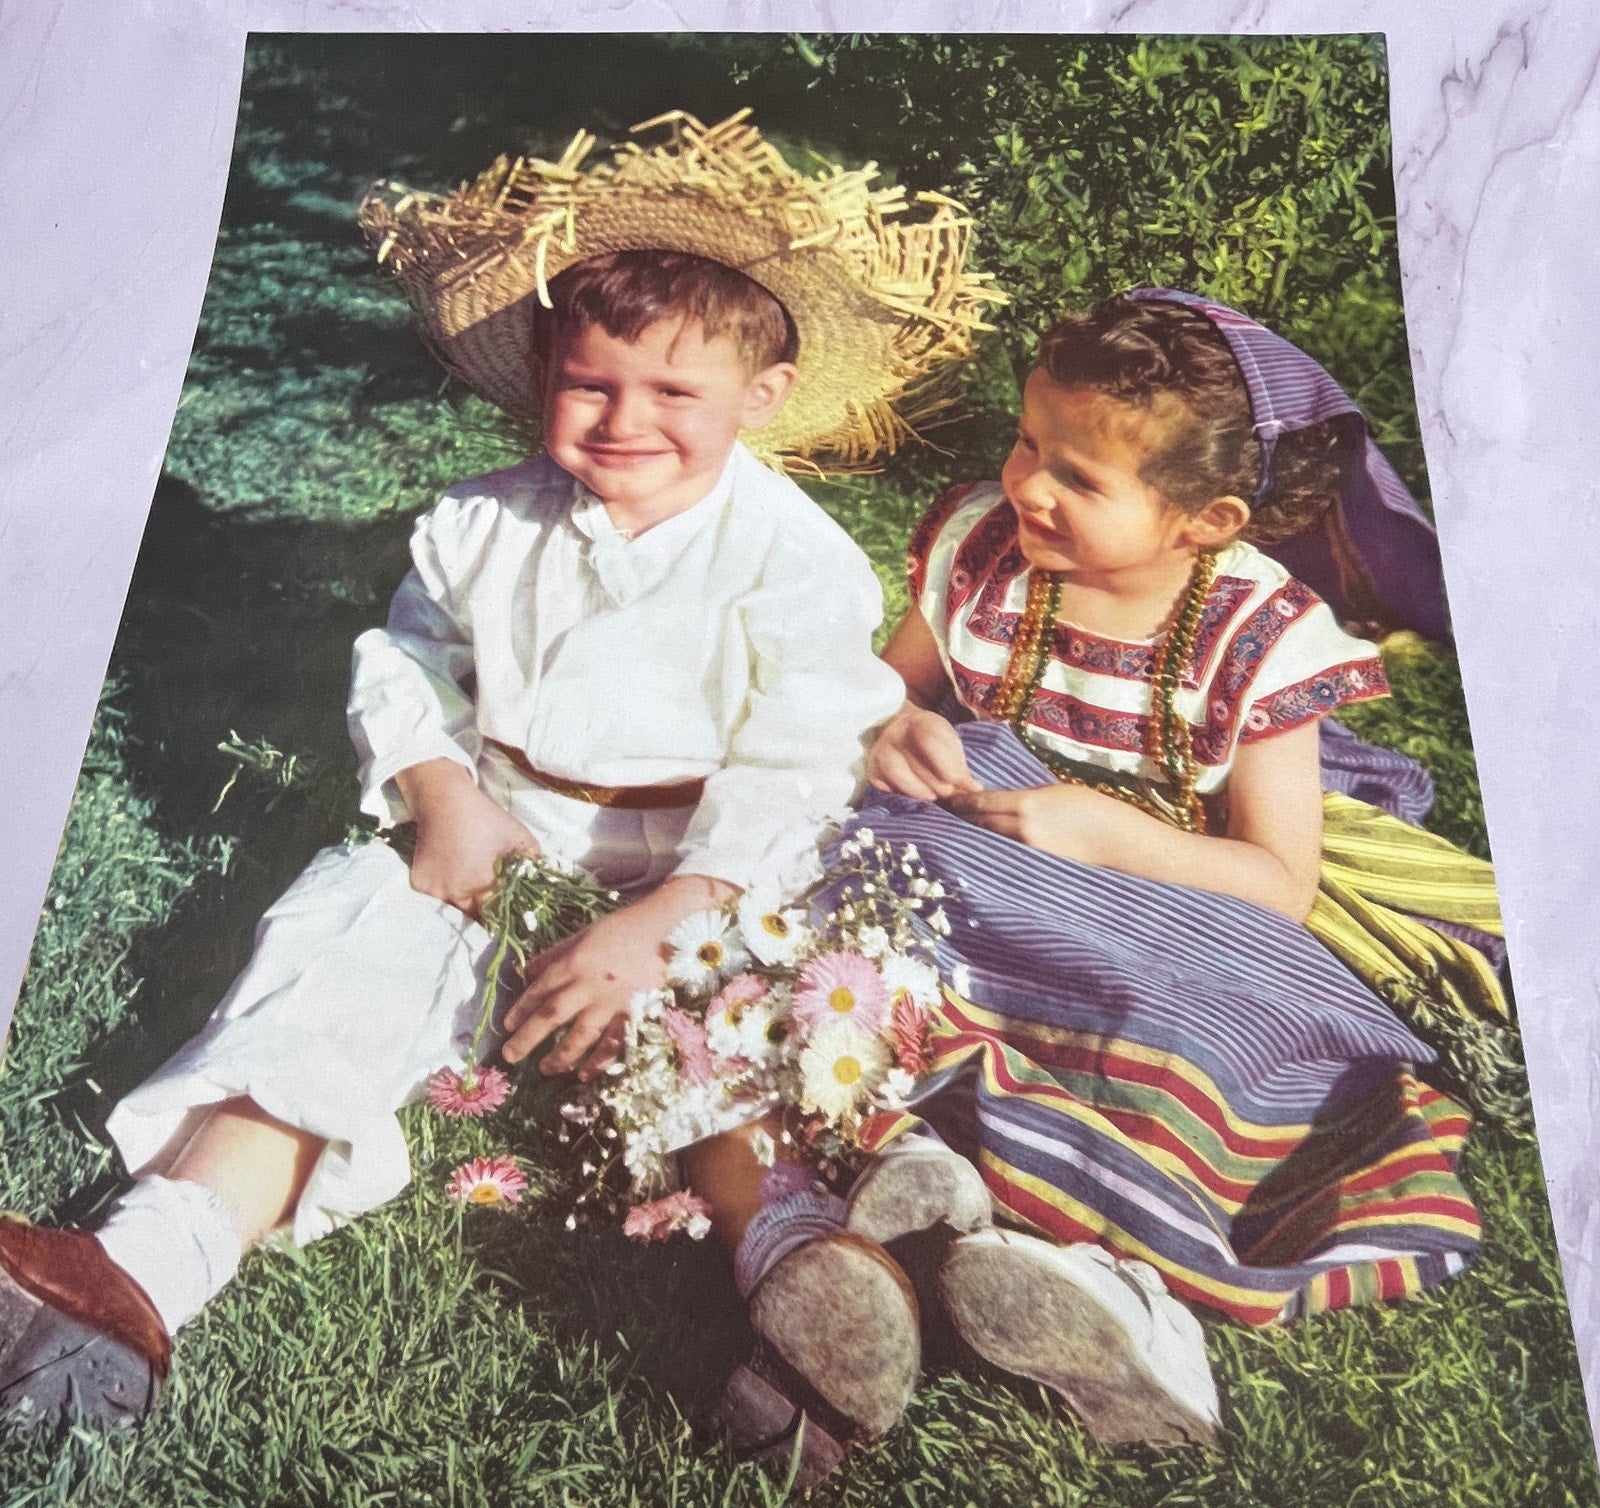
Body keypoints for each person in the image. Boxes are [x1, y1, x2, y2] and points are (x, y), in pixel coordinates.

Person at [0, 111, 999, 1437]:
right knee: (340, 977)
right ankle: (144, 1269)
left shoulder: (793, 557)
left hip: (699, 871)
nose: (624, 421)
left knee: (720, 1039)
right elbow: (406, 661)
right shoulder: (481, 519)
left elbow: (800, 751)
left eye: (674, 395)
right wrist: (441, 792)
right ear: (540, 373)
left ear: (761, 397)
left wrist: (674, 913)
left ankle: (805, 1273)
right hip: (498, 837)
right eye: (590, 385)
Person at [804, 289, 1504, 1456]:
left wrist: (1105, 829)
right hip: (981, 868)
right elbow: (891, 693)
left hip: (1173, 902)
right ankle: (936, 1169)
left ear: (1204, 520)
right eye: (1026, 442)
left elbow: (1276, 880)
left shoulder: (1252, 631)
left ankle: (1123, 1282)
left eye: (1078, 477)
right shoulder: (982, 550)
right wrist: (891, 728)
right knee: (868, 879)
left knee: (1174, 1029)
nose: (1028, 485)